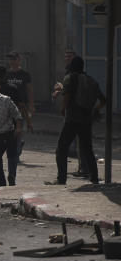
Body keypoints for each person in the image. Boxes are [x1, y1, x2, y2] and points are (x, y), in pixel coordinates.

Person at [51, 56, 105, 186]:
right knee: (88, 149)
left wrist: (63, 109)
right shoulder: (92, 81)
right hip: (86, 120)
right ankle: (94, 178)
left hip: (72, 119)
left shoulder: (70, 78)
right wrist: (95, 110)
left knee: (61, 149)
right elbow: (103, 100)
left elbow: (67, 95)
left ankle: (61, 179)